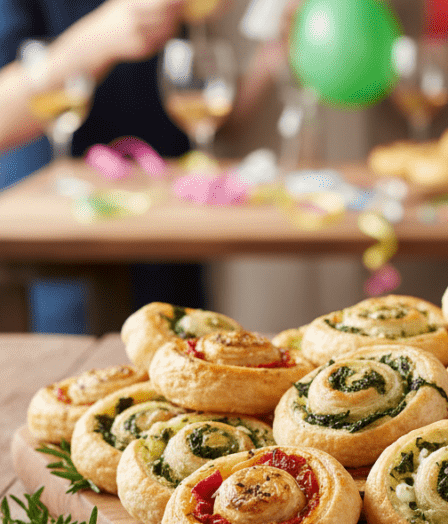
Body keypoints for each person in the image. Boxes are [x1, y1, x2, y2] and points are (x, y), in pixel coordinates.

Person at [0, 0, 281, 333]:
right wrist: (100, 36)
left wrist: (271, 52)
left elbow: (211, 118)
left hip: (171, 250)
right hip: (66, 262)